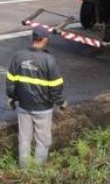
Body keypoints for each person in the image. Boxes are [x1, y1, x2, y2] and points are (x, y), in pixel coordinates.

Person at [5, 25, 66, 166]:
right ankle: (38, 171)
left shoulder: (18, 56)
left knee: (24, 139)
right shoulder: (49, 60)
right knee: (42, 140)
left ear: (32, 38)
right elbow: (56, 86)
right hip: (43, 108)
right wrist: (61, 102)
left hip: (24, 106)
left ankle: (24, 168)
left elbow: (10, 81)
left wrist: (12, 98)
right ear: (44, 39)